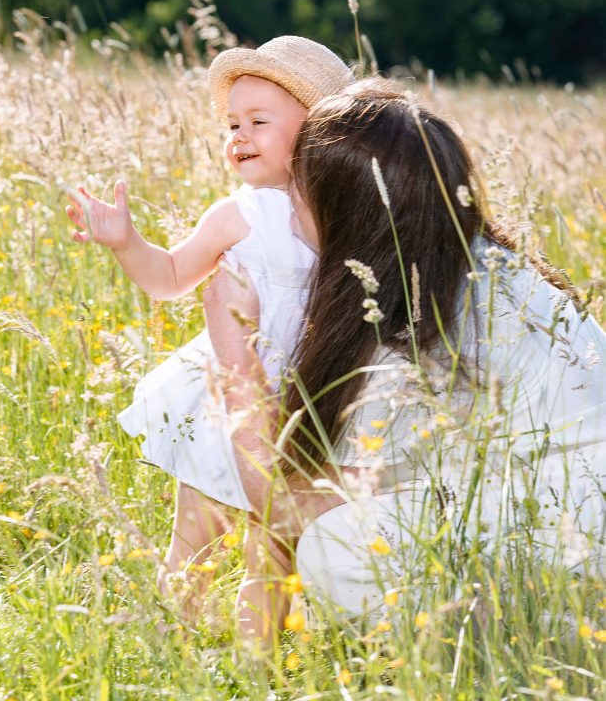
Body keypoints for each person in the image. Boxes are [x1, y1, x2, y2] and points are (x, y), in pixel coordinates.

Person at [203, 79, 606, 639]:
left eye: (301, 188)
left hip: (569, 568)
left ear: (350, 212)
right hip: (566, 524)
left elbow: (287, 507)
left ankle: (485, 655)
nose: (288, 203)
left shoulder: (407, 335)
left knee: (335, 545)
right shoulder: (490, 268)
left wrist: (235, 358)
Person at [64, 35, 353, 608]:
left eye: (258, 121)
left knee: (275, 550)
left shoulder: (346, 214)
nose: (239, 137)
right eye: (231, 125)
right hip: (226, 397)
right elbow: (168, 278)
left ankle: (257, 673)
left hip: (306, 401)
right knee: (196, 537)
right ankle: (174, 637)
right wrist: (127, 242)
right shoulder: (237, 215)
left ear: (318, 128)